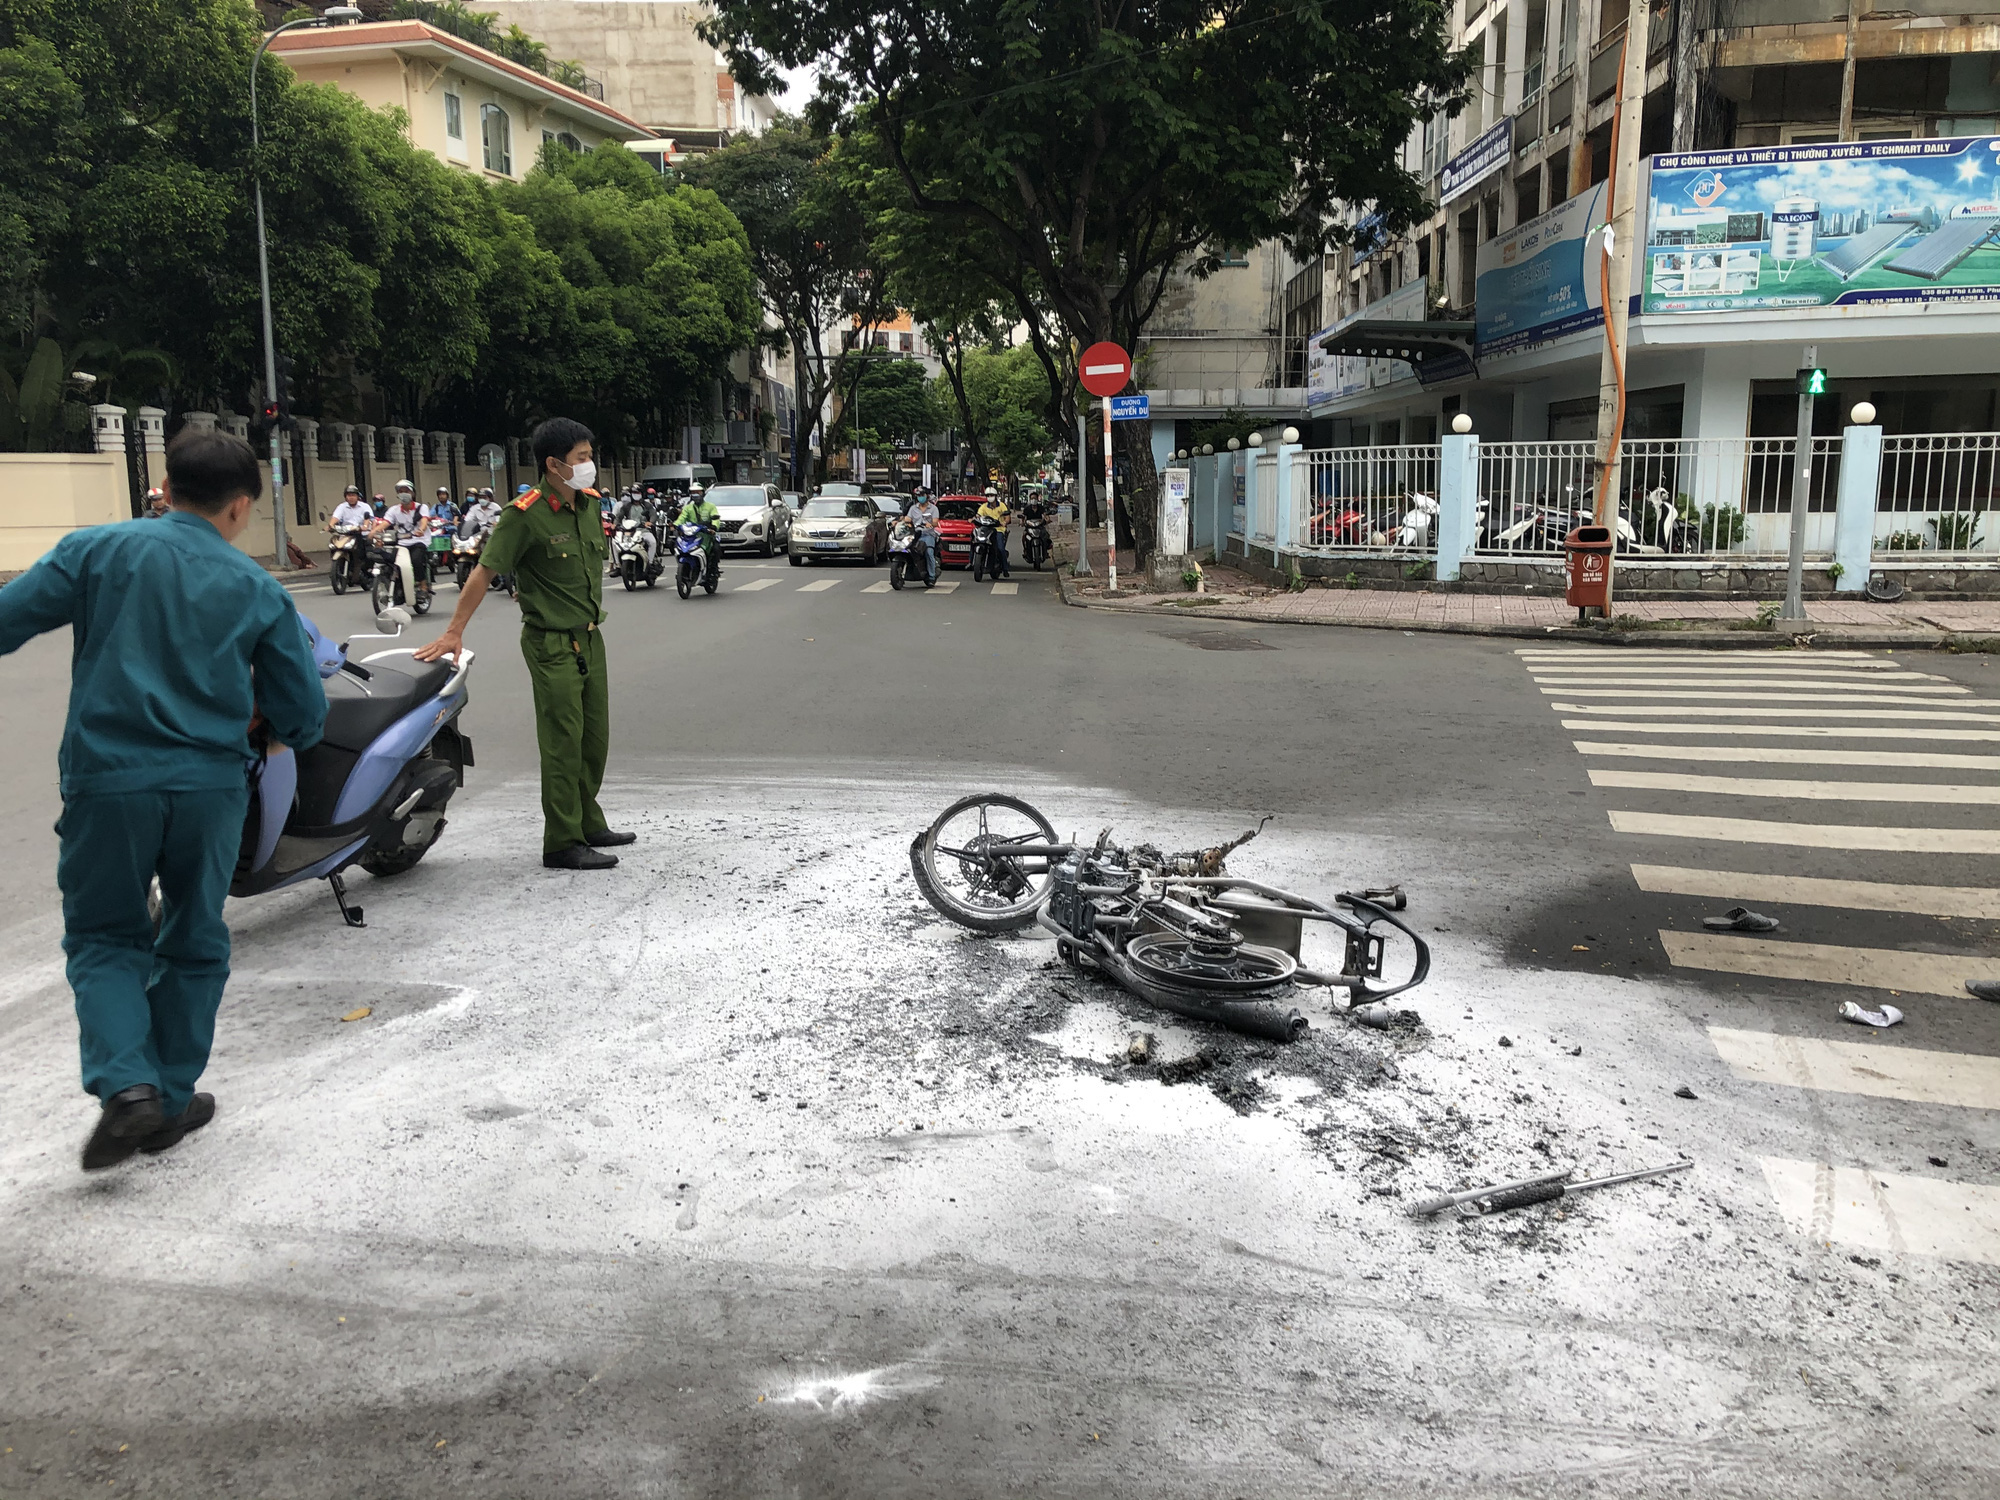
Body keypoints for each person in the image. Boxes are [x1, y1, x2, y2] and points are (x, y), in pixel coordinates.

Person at [0, 429, 327, 1171]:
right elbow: (304, 714)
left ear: (167, 488)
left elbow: (6, 620)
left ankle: (127, 1087)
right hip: (210, 789)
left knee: (105, 936)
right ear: (242, 506)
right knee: (194, 934)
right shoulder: (257, 588)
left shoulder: (95, 551)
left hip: (107, 783)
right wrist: (270, 729)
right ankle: (172, 1098)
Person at [413, 417, 634, 870]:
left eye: (591, 456)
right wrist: (454, 630)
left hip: (591, 639)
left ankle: (588, 820)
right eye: (582, 458)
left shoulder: (590, 505)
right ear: (554, 465)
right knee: (562, 743)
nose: (591, 465)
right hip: (551, 643)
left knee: (595, 740)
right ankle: (562, 841)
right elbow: (484, 572)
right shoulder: (524, 514)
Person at [380, 480, 432, 591]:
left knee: (416, 559)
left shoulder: (421, 507)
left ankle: (423, 584)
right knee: (391, 559)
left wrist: (421, 530)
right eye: (401, 491)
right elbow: (385, 523)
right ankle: (398, 582)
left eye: (406, 491)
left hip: (419, 541)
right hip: (402, 542)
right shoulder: (393, 510)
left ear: (413, 493)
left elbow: (424, 521)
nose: (404, 494)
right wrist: (373, 532)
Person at [674, 485, 722, 583]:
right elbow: (682, 518)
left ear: (703, 493)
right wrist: (675, 525)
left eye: (698, 492)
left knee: (716, 549)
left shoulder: (710, 506)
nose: (695, 494)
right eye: (693, 492)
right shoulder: (688, 508)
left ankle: (713, 570)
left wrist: (713, 527)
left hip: (707, 536)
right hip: (691, 536)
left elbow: (715, 519)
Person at [905, 490, 942, 581]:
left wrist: (930, 524)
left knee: (929, 552)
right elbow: (908, 518)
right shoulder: (913, 508)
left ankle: (931, 576)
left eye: (922, 495)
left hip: (928, 534)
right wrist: (904, 520)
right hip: (915, 535)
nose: (920, 497)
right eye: (918, 495)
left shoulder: (933, 509)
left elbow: (935, 522)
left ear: (927, 496)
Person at [977, 486, 1013, 577]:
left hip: (999, 530)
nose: (990, 497)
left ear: (996, 496)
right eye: (988, 495)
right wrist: (974, 519)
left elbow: (1008, 517)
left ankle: (1005, 568)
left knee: (1000, 548)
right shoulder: (983, 507)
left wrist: (1004, 522)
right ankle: (972, 561)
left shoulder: (1001, 505)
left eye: (991, 495)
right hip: (987, 529)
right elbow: (978, 515)